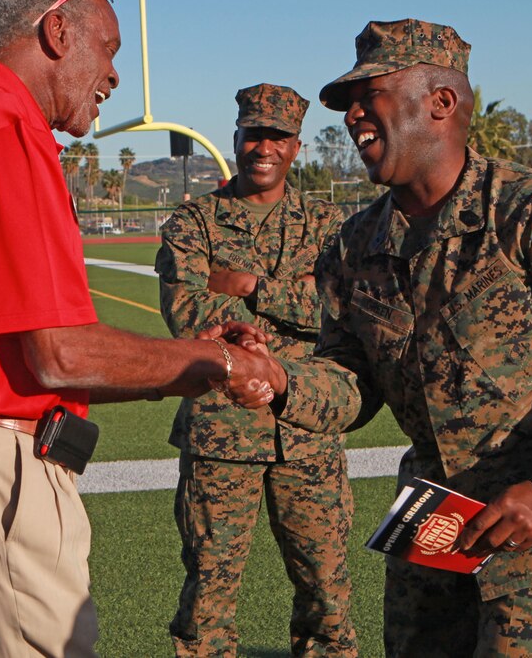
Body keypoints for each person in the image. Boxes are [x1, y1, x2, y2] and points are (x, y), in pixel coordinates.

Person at [217, 19, 532, 656]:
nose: (351, 116)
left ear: (441, 102)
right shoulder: (354, 244)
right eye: (348, 103)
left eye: (367, 95)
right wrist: (280, 378)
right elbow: (351, 382)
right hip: (434, 524)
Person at [0, 0, 279, 658]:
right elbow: (59, 352)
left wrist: (190, 368)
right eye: (111, 47)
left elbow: (40, 359)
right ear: (57, 32)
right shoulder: (3, 125)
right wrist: (217, 360)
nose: (115, 74)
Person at [155, 84, 356, 657]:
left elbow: (342, 307)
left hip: (308, 429)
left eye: (278, 136)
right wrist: (295, 301)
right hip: (221, 432)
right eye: (254, 134)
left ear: (296, 147)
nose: (264, 147)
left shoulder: (327, 225)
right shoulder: (194, 222)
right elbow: (189, 312)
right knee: (208, 597)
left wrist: (250, 287)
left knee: (328, 594)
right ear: (236, 138)